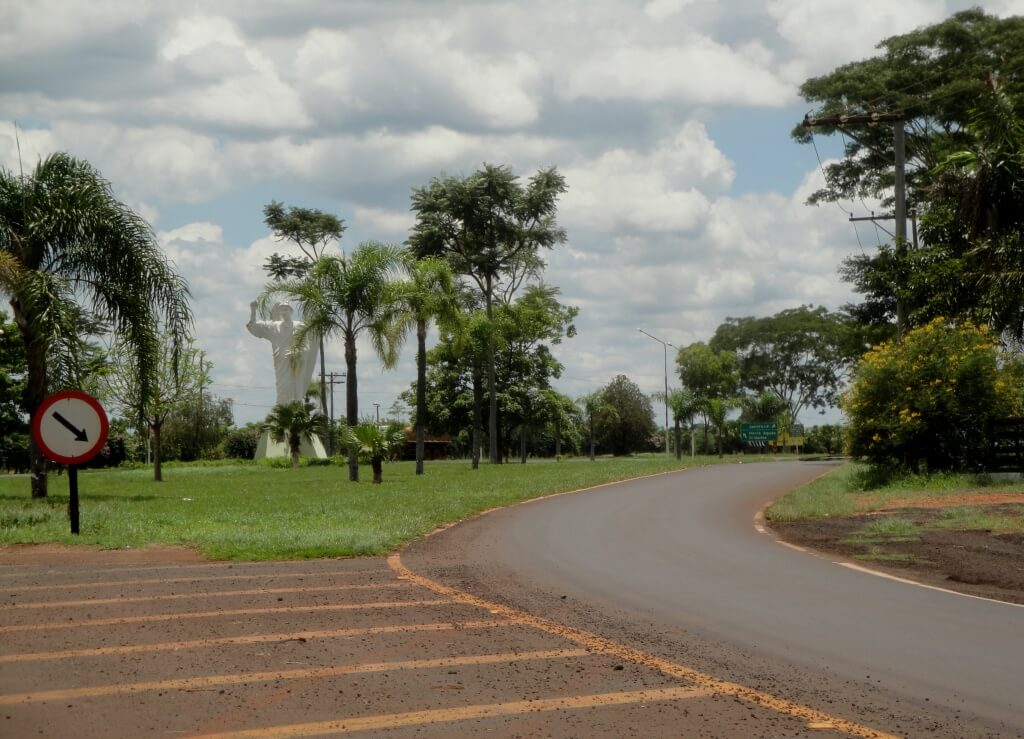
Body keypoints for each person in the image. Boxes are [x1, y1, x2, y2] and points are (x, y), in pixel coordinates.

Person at [246, 301, 319, 406]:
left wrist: (296, 353)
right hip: (281, 363)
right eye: (281, 309)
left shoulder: (299, 326)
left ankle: (296, 412)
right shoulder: (274, 326)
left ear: (291, 311)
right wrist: (253, 310)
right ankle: (281, 412)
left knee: (295, 388)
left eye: (286, 309)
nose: (284, 311)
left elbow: (307, 346)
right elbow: (255, 326)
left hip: (296, 363)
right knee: (282, 388)